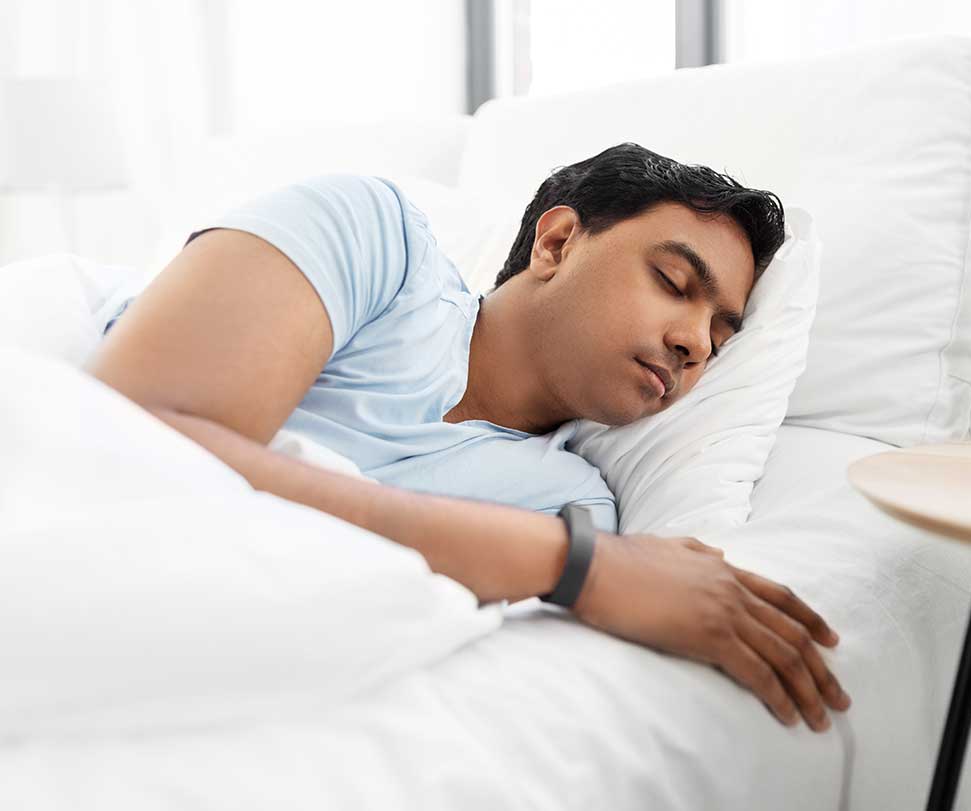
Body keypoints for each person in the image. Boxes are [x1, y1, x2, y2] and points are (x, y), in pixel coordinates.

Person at [88, 143, 850, 732]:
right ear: (556, 244)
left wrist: (576, 554)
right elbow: (125, 447)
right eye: (676, 284)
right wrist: (573, 565)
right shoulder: (372, 238)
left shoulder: (575, 504)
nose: (695, 344)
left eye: (721, 335)